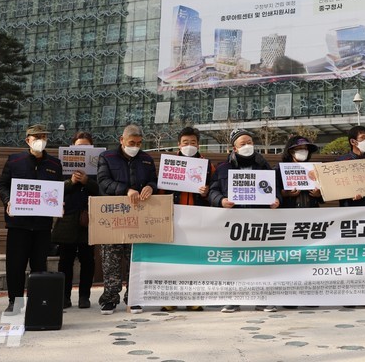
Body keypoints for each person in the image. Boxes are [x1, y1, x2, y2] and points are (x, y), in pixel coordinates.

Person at [208, 129, 280, 313]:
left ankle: (263, 299)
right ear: (234, 147)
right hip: (233, 223)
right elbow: (213, 191)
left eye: (250, 142)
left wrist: (276, 200)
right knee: (235, 261)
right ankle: (233, 299)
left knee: (260, 261)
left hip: (259, 221)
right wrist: (221, 201)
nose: (247, 146)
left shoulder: (264, 167)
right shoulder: (223, 168)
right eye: (243, 143)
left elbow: (275, 190)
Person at [0, 123, 64, 315]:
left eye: (43, 138)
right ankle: (14, 301)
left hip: (42, 225)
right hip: (18, 224)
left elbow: (58, 190)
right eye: (37, 138)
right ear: (28, 140)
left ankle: (38, 301)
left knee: (39, 265)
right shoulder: (14, 161)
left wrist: (60, 203)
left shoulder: (54, 164)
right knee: (15, 265)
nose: (40, 141)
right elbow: (2, 185)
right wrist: (8, 200)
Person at [97, 124, 156, 315]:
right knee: (110, 259)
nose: (135, 146)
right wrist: (125, 190)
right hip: (114, 214)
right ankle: (110, 298)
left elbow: (154, 180)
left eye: (139, 143)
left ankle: (134, 298)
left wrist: (150, 187)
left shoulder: (146, 159)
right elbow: (103, 182)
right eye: (132, 143)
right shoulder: (107, 157)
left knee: (135, 259)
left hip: (139, 215)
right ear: (121, 140)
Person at [159, 126, 210, 312]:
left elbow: (214, 190)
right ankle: (169, 299)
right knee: (172, 259)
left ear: (198, 144)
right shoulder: (170, 164)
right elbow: (161, 192)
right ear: (179, 145)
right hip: (174, 217)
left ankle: (193, 299)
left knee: (194, 259)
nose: (190, 146)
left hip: (197, 217)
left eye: (193, 143)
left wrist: (206, 192)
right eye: (186, 143)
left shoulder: (207, 164)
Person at [52, 131, 99, 310]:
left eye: (86, 147)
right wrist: (71, 182)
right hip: (67, 218)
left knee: (88, 260)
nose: (83, 150)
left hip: (89, 218)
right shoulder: (61, 165)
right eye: (79, 147)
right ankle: (64, 296)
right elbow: (55, 190)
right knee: (66, 260)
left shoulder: (97, 165)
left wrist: (87, 181)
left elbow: (101, 189)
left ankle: (84, 296)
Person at [279, 135, 323, 209]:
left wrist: (319, 194)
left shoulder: (314, 169)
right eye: (299, 148)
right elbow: (274, 192)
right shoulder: (279, 169)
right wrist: (285, 193)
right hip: (289, 213)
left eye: (305, 148)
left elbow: (324, 194)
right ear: (291, 151)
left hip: (312, 213)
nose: (303, 151)